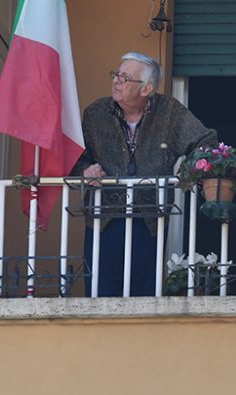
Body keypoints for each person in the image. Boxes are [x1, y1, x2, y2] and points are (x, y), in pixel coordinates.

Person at [71, 52, 217, 296]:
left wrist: (188, 171)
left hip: (150, 221)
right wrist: (86, 169)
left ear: (146, 88)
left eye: (125, 77)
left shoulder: (169, 112)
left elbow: (206, 141)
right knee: (99, 298)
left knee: (144, 299)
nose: (117, 81)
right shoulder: (96, 114)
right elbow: (75, 156)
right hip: (103, 220)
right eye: (116, 74)